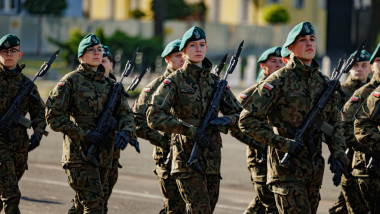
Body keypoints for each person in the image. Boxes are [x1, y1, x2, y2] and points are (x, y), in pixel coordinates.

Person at [239, 22, 349, 214]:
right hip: (286, 168)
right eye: (302, 40)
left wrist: (338, 153)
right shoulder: (278, 81)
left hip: (314, 169)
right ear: (290, 48)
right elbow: (246, 121)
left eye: (312, 39)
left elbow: (334, 123)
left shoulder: (322, 82)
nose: (309, 44)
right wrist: (283, 143)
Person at [146, 26, 242, 214]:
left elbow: (242, 116)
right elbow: (154, 116)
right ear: (184, 51)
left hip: (212, 157)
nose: (198, 49)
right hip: (185, 156)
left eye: (202, 45)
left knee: (206, 209)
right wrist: (189, 130)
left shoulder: (216, 82)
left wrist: (227, 120)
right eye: (193, 45)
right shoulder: (174, 80)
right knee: (200, 209)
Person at [45, 33, 135, 213]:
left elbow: (126, 114)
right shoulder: (70, 81)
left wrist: (126, 132)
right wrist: (83, 134)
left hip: (104, 155)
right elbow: (53, 116)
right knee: (94, 206)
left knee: (84, 205)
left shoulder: (110, 85)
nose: (96, 53)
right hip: (79, 155)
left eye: (99, 49)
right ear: (81, 56)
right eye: (91, 50)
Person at [132, 38, 186, 214]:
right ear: (167, 60)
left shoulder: (194, 85)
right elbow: (136, 120)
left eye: (184, 55)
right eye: (178, 56)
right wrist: (162, 141)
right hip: (168, 156)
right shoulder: (156, 86)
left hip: (192, 155)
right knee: (175, 206)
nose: (183, 59)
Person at [232, 46, 283, 214]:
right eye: (273, 62)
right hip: (260, 157)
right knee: (270, 202)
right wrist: (262, 144)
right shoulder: (251, 94)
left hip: (282, 155)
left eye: (281, 61)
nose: (278, 65)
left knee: (267, 202)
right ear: (263, 65)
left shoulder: (286, 91)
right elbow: (236, 127)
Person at [0, 34, 47, 213]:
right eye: (4, 51)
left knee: (2, 193)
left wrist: (38, 133)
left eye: (13, 51)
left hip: (19, 147)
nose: (9, 54)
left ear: (19, 55)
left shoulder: (27, 85)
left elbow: (38, 113)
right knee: (11, 195)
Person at [328, 49, 371, 214]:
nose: (359, 69)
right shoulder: (340, 92)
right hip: (347, 155)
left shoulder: (373, 91)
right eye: (355, 65)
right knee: (355, 203)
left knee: (347, 205)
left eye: (363, 65)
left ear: (369, 68)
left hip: (368, 157)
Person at [343, 43, 380, 214]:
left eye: (362, 65)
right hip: (362, 163)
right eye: (378, 61)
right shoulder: (362, 94)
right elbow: (346, 125)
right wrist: (366, 147)